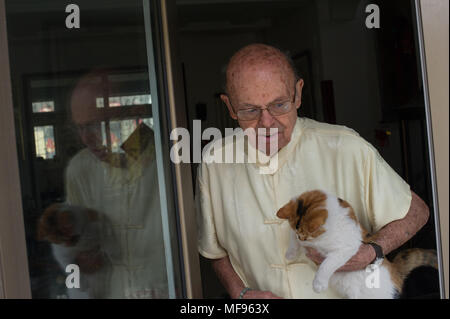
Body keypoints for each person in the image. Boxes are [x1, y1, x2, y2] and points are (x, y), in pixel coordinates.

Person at [195, 44, 430, 299]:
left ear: (297, 94)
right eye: (250, 110)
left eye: (279, 105)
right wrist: (239, 293)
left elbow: (416, 212)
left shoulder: (346, 146)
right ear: (229, 107)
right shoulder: (215, 163)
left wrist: (372, 251)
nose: (266, 122)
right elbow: (215, 251)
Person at [47, 69, 168, 298]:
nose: (86, 139)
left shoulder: (169, 156)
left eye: (94, 125)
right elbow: (78, 246)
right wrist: (80, 255)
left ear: (128, 114)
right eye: (80, 128)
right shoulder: (80, 169)